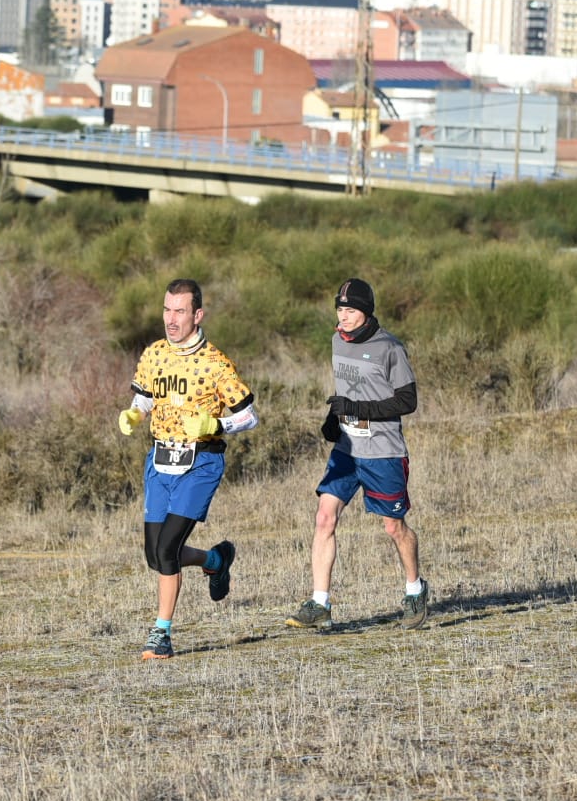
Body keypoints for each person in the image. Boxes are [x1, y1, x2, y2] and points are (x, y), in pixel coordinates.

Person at [118, 278, 258, 660]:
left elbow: (248, 416)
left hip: (200, 462)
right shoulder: (154, 355)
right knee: (155, 556)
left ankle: (160, 635)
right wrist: (134, 414)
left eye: (180, 311)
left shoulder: (215, 362)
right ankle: (215, 560)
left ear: (197, 314)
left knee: (167, 549)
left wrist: (218, 425)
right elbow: (144, 399)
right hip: (160, 461)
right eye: (167, 309)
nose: (171, 318)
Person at [286, 278, 426, 630]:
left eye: (350, 310)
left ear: (365, 312)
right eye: (340, 309)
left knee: (394, 527)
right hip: (347, 449)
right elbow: (344, 389)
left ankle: (415, 590)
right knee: (324, 518)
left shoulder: (389, 348)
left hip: (382, 451)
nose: (343, 316)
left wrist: (357, 408)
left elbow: (407, 401)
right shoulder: (337, 341)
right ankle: (320, 604)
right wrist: (333, 418)